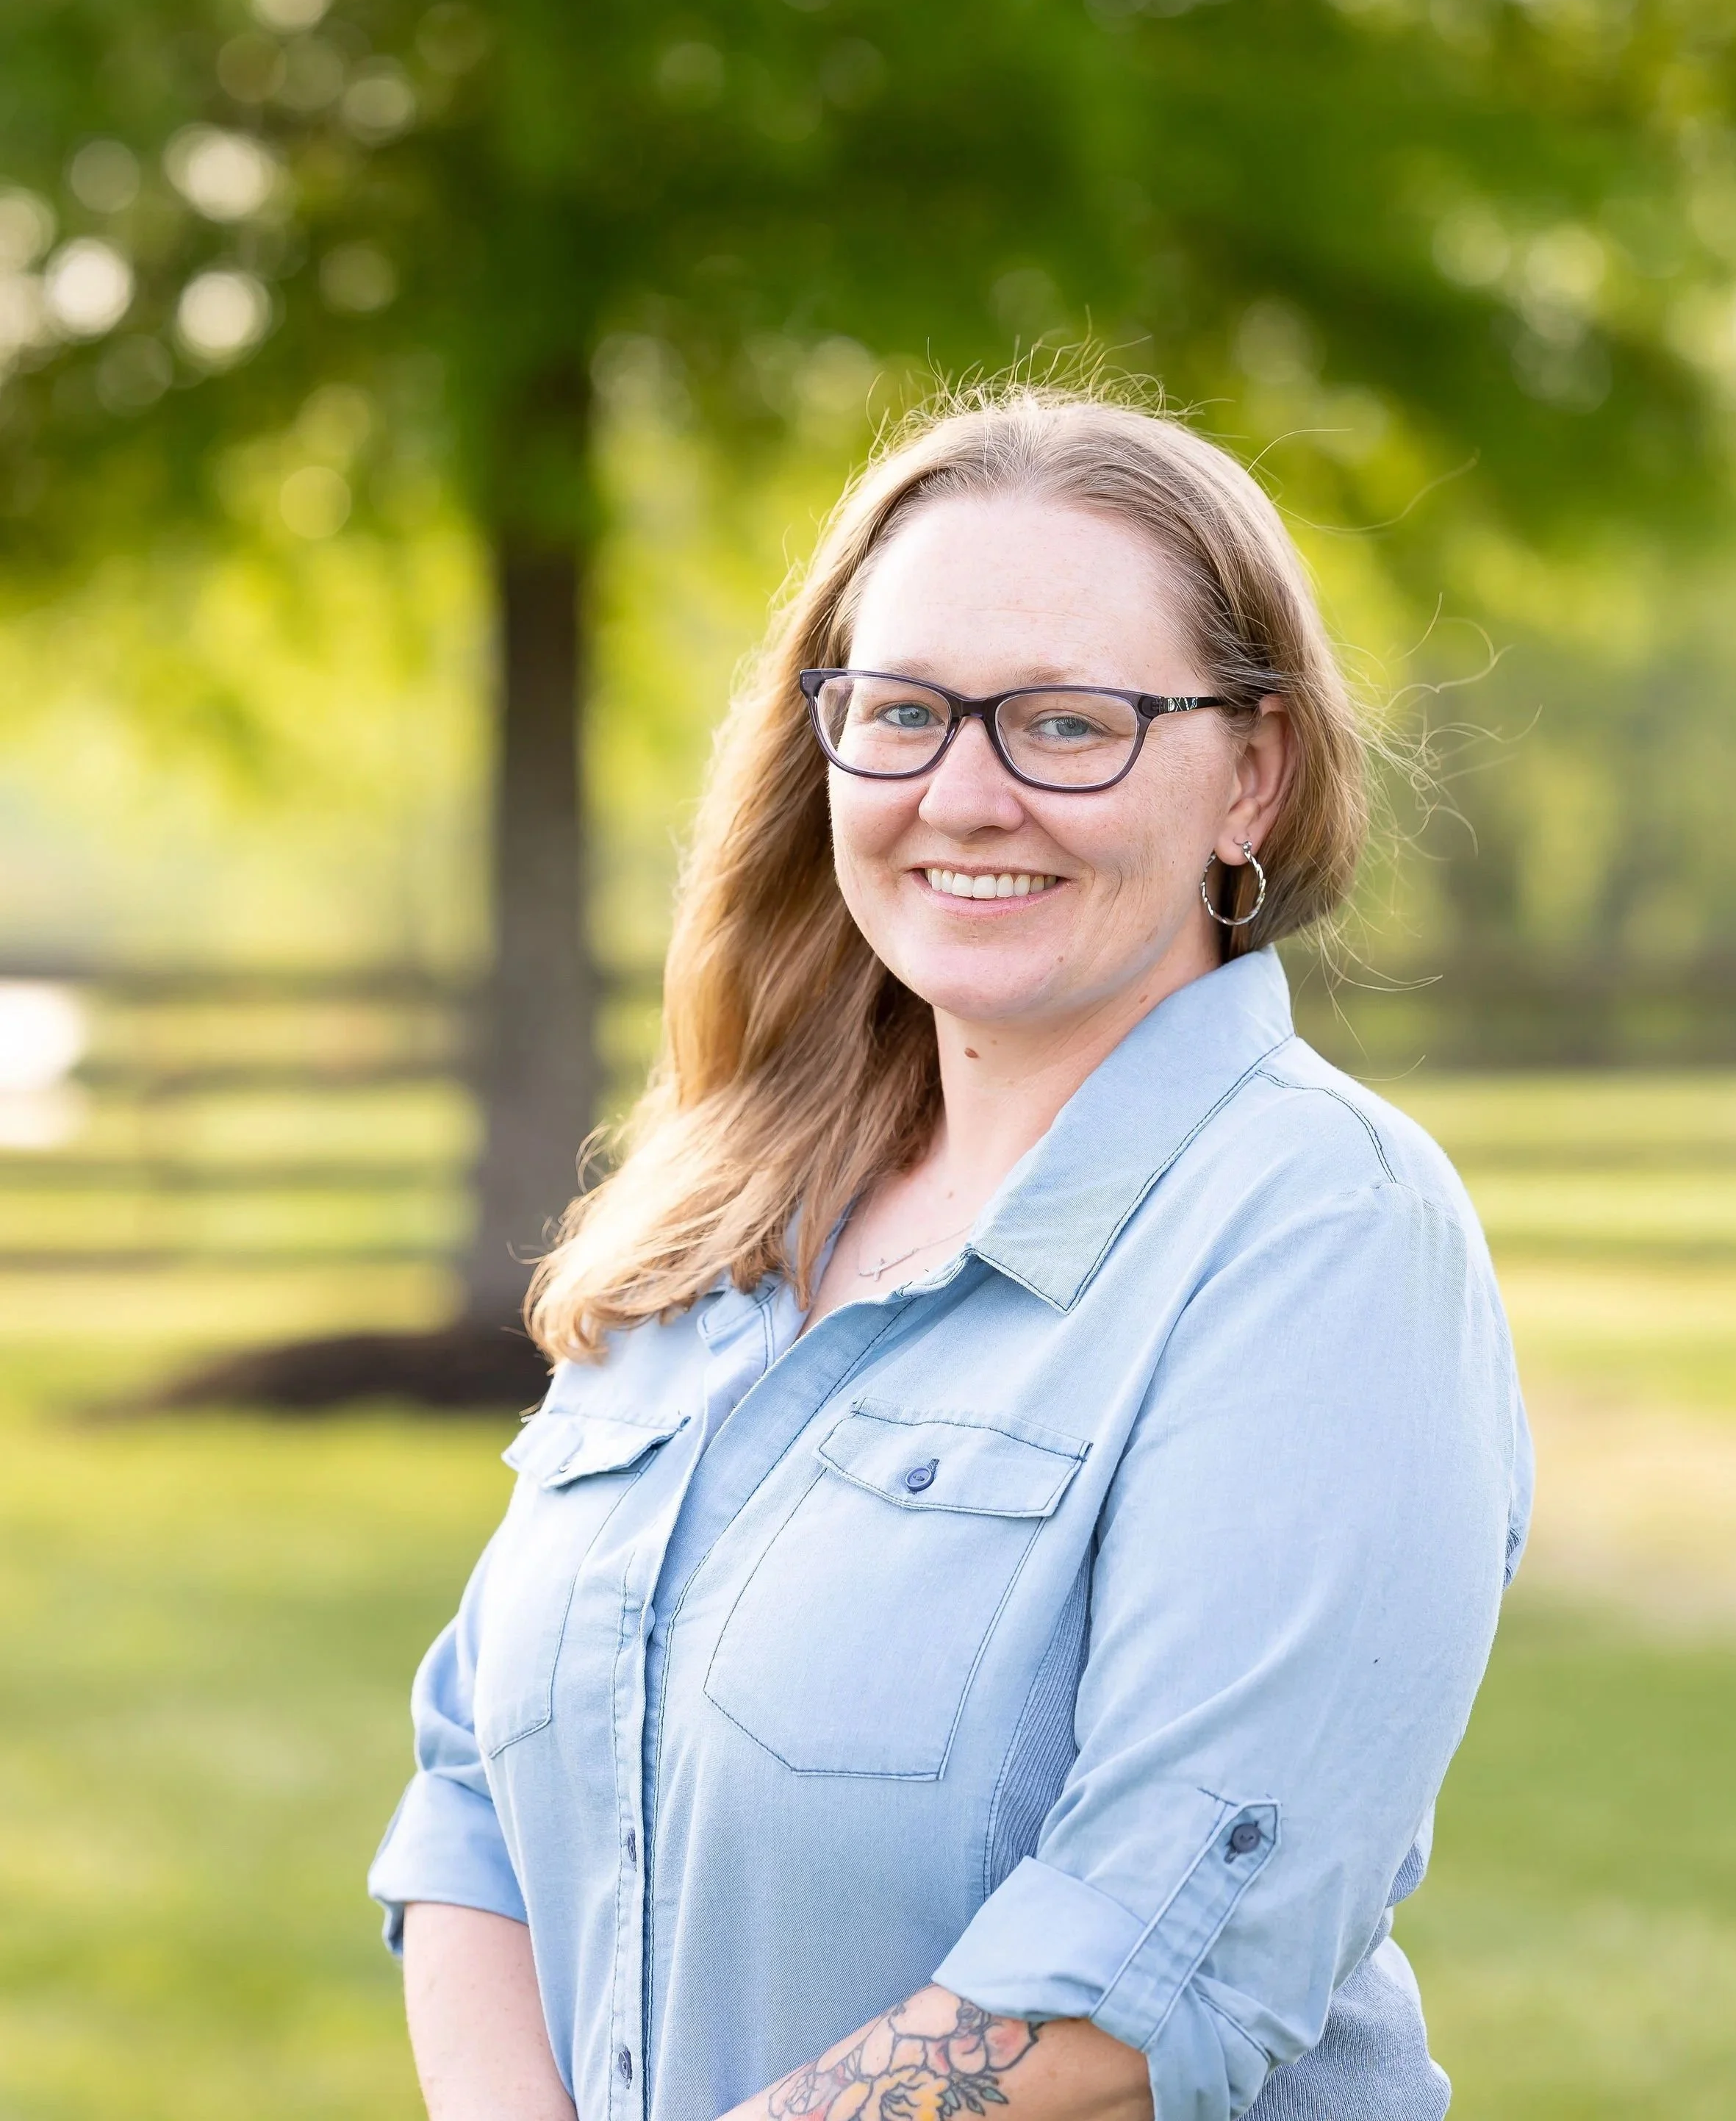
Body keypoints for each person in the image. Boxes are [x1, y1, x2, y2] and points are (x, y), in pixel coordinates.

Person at [370, 390, 1531, 2121]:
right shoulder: (721, 1206)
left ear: (1252, 774)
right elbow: (476, 1778)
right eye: (901, 714)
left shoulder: (1318, 1233)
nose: (963, 796)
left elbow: (1148, 1976)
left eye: (1066, 724)